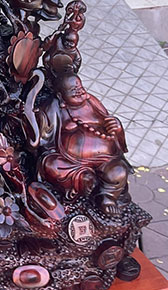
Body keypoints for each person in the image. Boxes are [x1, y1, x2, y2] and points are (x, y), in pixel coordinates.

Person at [34, 73, 129, 216]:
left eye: (80, 87)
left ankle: (107, 197)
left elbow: (111, 126)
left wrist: (117, 127)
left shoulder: (92, 103)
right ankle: (85, 182)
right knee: (52, 165)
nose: (79, 92)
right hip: (71, 161)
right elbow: (44, 141)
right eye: (73, 90)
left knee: (119, 171)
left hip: (106, 158)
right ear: (60, 95)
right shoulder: (54, 108)